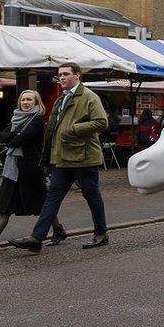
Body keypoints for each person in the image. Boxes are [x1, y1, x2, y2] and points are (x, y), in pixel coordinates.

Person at [9, 63, 110, 253]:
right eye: (59, 75)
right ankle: (36, 238)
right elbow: (54, 129)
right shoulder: (61, 99)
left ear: (77, 76)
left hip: (84, 157)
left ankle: (101, 233)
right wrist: (49, 156)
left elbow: (101, 122)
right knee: (52, 197)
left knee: (92, 195)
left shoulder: (89, 97)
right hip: (63, 158)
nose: (61, 78)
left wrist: (74, 129)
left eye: (65, 74)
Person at [0, 91, 66, 254]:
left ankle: (58, 229)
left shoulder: (37, 120)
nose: (25, 102)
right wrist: (14, 135)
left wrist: (14, 136)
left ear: (36, 102)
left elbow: (19, 140)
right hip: (12, 170)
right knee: (4, 205)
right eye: (23, 99)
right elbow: (2, 137)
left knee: (42, 203)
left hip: (31, 170)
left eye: (29, 99)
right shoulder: (15, 119)